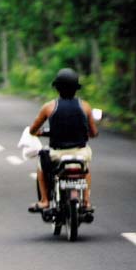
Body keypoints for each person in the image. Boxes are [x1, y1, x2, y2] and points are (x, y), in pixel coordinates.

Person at [29, 68, 98, 211]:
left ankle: (44, 201)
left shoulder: (49, 107)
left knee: (41, 167)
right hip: (81, 153)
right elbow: (93, 132)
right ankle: (86, 201)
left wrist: (40, 133)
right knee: (85, 170)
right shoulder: (85, 106)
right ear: (76, 89)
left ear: (57, 88)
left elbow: (32, 130)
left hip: (57, 154)